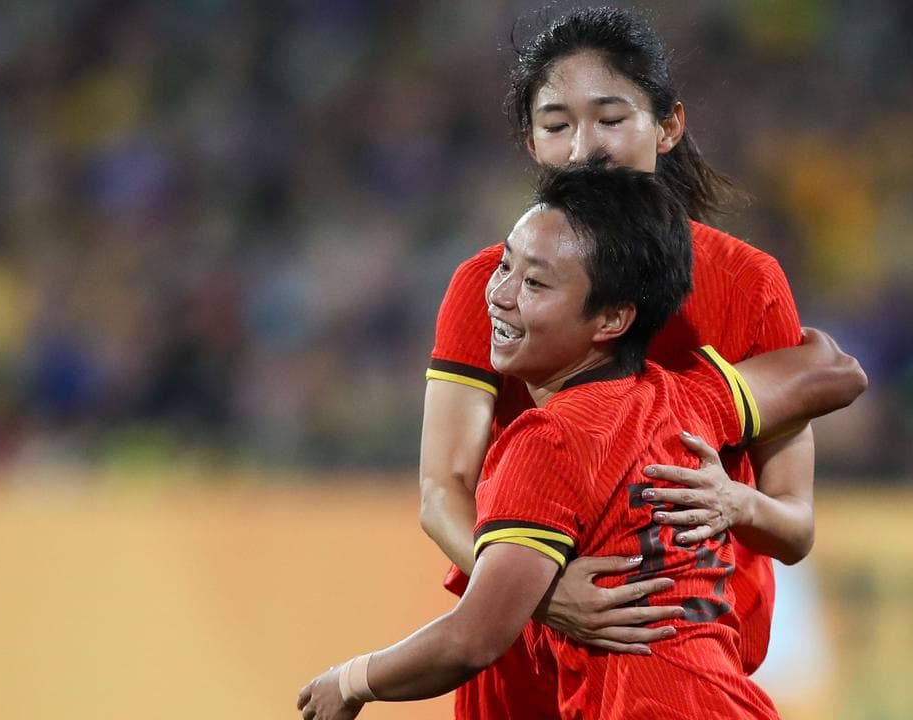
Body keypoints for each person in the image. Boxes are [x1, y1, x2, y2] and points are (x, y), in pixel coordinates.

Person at [418, 7, 867, 719]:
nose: (583, 148)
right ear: (530, 141)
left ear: (668, 126)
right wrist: (536, 590)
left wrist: (736, 502)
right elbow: (443, 488)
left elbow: (796, 524)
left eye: (610, 118)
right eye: (557, 124)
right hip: (523, 665)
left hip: (678, 667)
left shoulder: (745, 284)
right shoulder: (490, 287)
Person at [299, 163, 862, 720]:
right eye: (505, 265)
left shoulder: (549, 441)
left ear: (613, 318)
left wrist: (351, 682)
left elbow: (473, 640)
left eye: (536, 283)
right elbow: (839, 371)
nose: (499, 295)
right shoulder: (687, 398)